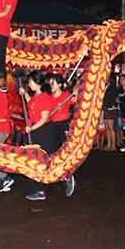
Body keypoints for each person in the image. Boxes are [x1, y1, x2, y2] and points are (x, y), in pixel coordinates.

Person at [18, 70, 76, 201]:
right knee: (38, 160)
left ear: (37, 83)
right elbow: (32, 104)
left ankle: (65, 177)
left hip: (44, 132)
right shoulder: (36, 97)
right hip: (37, 131)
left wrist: (31, 128)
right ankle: (38, 189)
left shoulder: (44, 97)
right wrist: (25, 93)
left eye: (30, 82)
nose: (28, 84)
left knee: (46, 160)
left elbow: (44, 118)